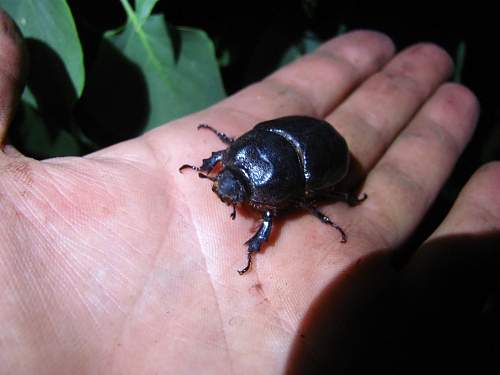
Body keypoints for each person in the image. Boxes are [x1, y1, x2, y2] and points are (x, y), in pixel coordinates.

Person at [0, 9, 498, 374]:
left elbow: (270, 216)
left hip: (320, 157)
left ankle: (336, 202)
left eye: (226, 181)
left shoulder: (271, 196)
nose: (223, 187)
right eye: (223, 175)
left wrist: (260, 232)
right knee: (290, 189)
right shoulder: (239, 158)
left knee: (310, 203)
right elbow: (238, 162)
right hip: (290, 141)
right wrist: (217, 162)